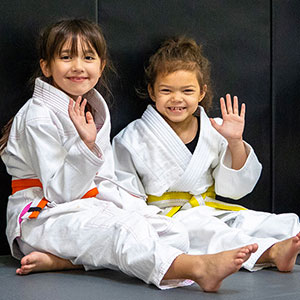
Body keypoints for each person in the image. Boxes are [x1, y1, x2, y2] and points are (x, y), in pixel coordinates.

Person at [0, 19, 258, 292]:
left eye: (88, 57)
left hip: (85, 210)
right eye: (66, 57)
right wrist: (86, 148)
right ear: (46, 66)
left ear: (101, 66)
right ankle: (198, 269)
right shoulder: (37, 116)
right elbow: (60, 192)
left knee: (171, 231)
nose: (78, 66)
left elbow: (107, 179)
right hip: (44, 217)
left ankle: (66, 261)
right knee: (123, 232)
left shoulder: (92, 109)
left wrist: (135, 210)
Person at [112, 36, 300, 272]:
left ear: (202, 92)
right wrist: (151, 227)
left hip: (210, 208)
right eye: (166, 90)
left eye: (187, 91)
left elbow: (234, 189)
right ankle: (270, 253)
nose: (177, 99)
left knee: (270, 222)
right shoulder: (131, 138)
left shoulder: (215, 128)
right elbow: (126, 195)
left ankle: (285, 242)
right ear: (152, 91)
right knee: (214, 233)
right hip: (167, 221)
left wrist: (234, 142)